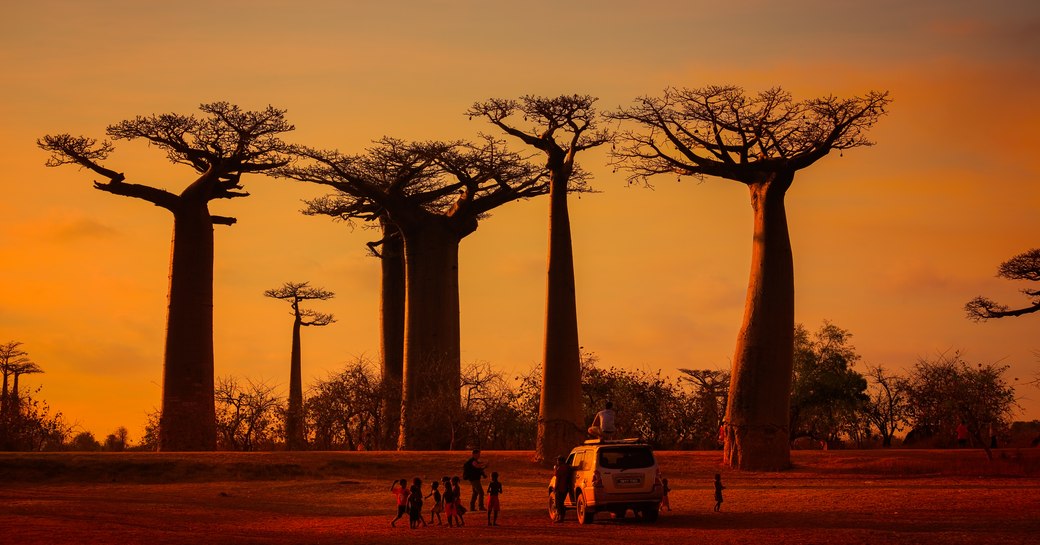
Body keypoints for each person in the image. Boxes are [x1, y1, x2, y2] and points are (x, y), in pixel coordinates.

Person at [552, 455, 571, 523]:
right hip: (565, 488)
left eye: (558, 460)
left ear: (560, 461)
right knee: (561, 503)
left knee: (558, 503)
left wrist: (555, 488)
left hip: (560, 488)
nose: (557, 462)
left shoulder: (560, 468)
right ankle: (561, 517)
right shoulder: (568, 468)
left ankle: (560, 518)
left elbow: (557, 479)